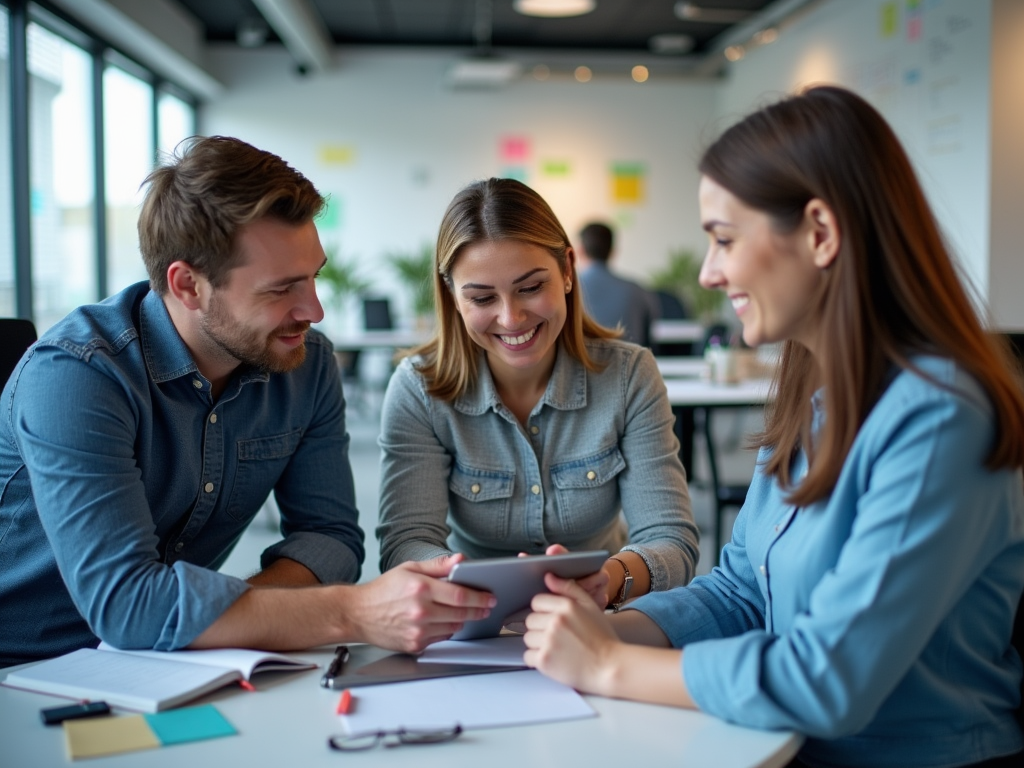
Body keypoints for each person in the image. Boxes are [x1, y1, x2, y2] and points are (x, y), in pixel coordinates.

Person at [522, 86, 1024, 768]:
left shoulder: (941, 420)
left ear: (820, 233)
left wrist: (608, 664)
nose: (707, 273)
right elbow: (743, 591)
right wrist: (606, 614)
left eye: (724, 239)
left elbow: (828, 682)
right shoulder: (812, 395)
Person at [0, 136, 494, 669]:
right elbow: (129, 607)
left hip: (171, 669)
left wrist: (234, 617)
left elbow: (330, 540)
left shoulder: (305, 363)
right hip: (29, 672)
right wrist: (352, 612)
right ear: (188, 285)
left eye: (314, 277)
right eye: (281, 289)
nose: (315, 310)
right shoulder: (77, 377)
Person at [376, 178, 699, 611]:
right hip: (468, 622)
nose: (511, 318)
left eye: (530, 288)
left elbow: (671, 540)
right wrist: (464, 582)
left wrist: (607, 579)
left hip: (598, 613)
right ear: (453, 296)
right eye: (482, 297)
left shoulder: (629, 376)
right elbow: (406, 542)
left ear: (567, 269)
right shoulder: (418, 388)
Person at [576, 221, 661, 346]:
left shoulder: (565, 290)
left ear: (580, 250)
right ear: (612, 251)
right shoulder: (638, 292)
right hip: (630, 363)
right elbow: (649, 336)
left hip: (576, 364)